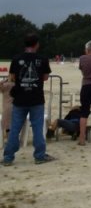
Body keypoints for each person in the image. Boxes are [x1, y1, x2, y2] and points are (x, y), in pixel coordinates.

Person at [3, 33, 55, 165]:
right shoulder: (42, 59)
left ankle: (8, 157)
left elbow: (13, 77)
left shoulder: (16, 59)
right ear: (36, 44)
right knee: (37, 128)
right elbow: (45, 77)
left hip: (19, 98)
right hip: (36, 98)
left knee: (15, 128)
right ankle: (39, 156)